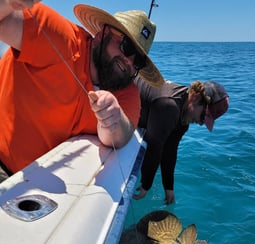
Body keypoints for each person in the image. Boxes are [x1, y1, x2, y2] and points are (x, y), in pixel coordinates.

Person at [0, 0, 163, 182]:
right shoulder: (61, 37)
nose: (129, 61)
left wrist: (114, 119)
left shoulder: (127, 92)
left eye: (139, 61)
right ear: (102, 35)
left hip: (44, 186)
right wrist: (7, 4)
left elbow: (121, 137)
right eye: (127, 47)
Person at [133, 76, 229, 204]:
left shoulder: (184, 116)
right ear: (195, 97)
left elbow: (170, 150)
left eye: (204, 121)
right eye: (203, 116)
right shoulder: (169, 106)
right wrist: (146, 184)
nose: (201, 123)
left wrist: (168, 187)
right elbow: (154, 145)